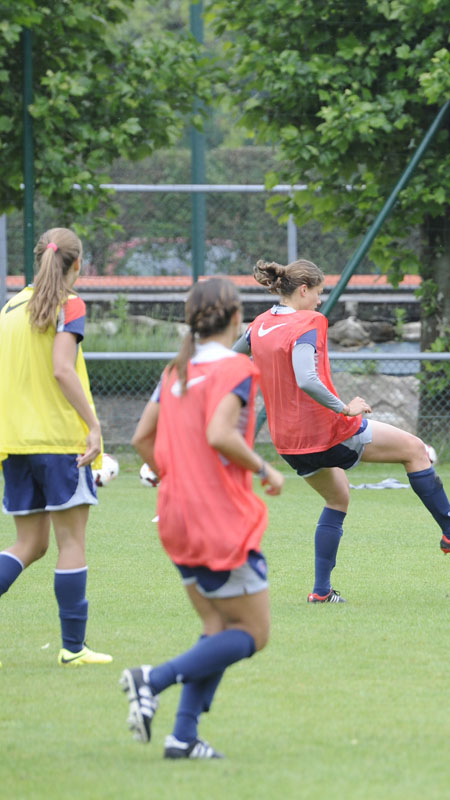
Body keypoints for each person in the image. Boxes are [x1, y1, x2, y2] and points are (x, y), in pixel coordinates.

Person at [235, 259, 450, 603]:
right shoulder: (309, 321)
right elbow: (307, 379)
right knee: (415, 450)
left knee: (337, 498)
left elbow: (229, 361)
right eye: (318, 293)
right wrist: (345, 407)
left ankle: (322, 592)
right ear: (302, 290)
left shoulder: (259, 326)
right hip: (328, 431)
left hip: (287, 443)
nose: (319, 301)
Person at [125, 277, 284, 758]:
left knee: (216, 628)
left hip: (175, 514)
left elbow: (140, 440)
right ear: (237, 318)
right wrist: (265, 467)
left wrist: (175, 473)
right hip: (219, 519)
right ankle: (152, 679)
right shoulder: (237, 367)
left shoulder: (177, 368)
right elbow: (220, 433)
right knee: (253, 634)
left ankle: (183, 737)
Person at [0, 227, 110, 667]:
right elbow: (63, 370)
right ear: (77, 263)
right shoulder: (71, 303)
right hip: (61, 441)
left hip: (15, 442)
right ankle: (74, 649)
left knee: (30, 544)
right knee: (70, 543)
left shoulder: (9, 307)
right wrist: (94, 425)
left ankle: (74, 647)